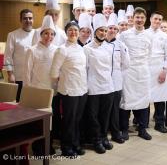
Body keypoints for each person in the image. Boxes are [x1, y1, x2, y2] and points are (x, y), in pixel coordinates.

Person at [50, 22, 88, 157]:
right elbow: (54, 73)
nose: (73, 32)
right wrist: (64, 80)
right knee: (69, 120)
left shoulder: (81, 48)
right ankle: (66, 147)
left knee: (78, 119)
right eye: (70, 30)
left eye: (75, 30)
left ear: (78, 32)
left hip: (82, 89)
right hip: (69, 91)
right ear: (66, 32)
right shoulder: (62, 49)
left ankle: (76, 144)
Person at [119, 7, 153, 140]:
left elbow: (150, 54)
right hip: (128, 72)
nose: (139, 20)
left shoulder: (149, 35)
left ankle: (142, 128)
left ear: (145, 19)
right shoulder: (125, 35)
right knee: (126, 100)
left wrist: (143, 66)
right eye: (137, 17)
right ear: (132, 19)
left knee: (143, 101)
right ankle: (124, 129)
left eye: (142, 18)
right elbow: (121, 54)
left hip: (143, 71)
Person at [83, 13, 115, 154]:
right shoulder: (87, 48)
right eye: (100, 30)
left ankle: (104, 137)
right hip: (93, 87)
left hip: (108, 86)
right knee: (93, 116)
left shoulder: (109, 47)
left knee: (105, 115)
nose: (103, 33)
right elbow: (85, 69)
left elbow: (111, 67)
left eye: (105, 30)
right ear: (95, 31)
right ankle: (96, 140)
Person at [146, 12, 167, 133]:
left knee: (160, 99)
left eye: (160, 19)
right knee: (145, 98)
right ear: (151, 19)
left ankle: (159, 123)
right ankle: (143, 122)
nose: (157, 21)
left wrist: (164, 70)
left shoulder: (165, 36)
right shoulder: (144, 34)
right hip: (146, 69)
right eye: (155, 19)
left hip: (160, 69)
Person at [105, 13, 130, 144]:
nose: (113, 31)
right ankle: (103, 135)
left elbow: (126, 64)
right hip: (102, 82)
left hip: (116, 81)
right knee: (103, 110)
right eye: (110, 28)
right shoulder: (100, 44)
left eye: (115, 28)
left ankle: (115, 133)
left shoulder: (121, 45)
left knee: (115, 109)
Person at [4, 9, 35, 102]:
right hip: (19, 75)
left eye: (30, 18)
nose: (28, 21)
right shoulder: (13, 35)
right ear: (20, 20)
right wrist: (10, 74)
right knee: (19, 102)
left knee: (33, 102)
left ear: (33, 19)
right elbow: (8, 56)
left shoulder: (37, 34)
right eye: (25, 18)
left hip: (34, 76)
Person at [24, 15, 57, 88]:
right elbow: (27, 72)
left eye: (52, 34)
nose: (49, 36)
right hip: (37, 87)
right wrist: (27, 88)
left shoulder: (57, 50)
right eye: (46, 33)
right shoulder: (32, 50)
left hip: (53, 88)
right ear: (41, 34)